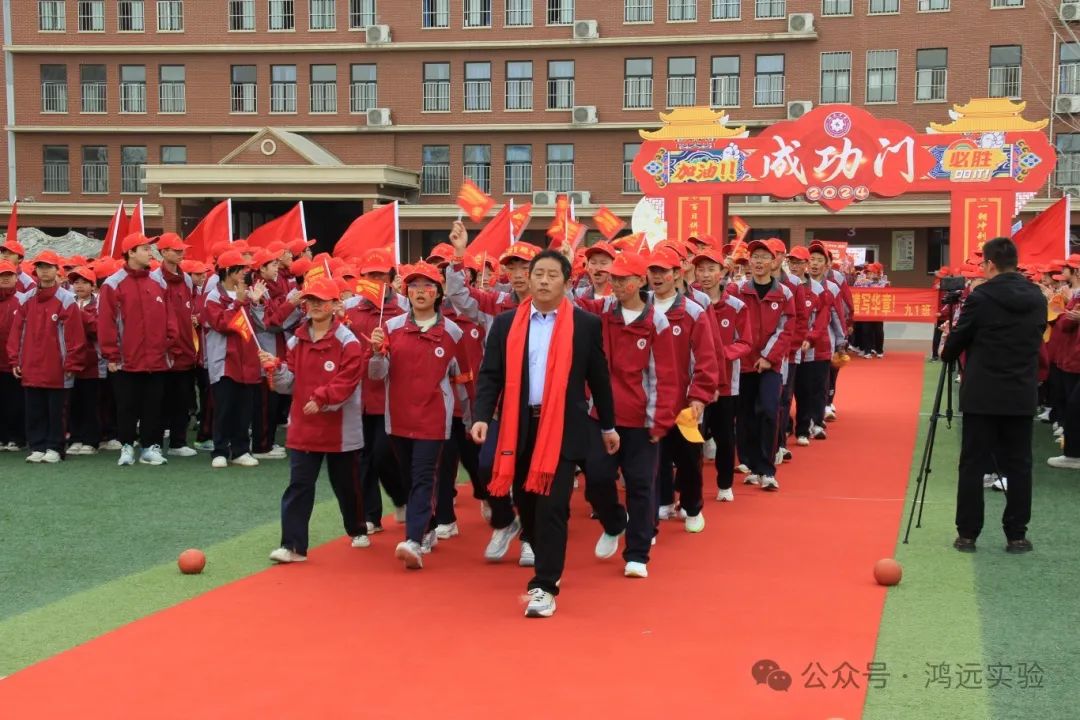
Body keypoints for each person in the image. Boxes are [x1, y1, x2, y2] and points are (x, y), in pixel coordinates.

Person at [471, 249, 617, 618]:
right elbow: (490, 375)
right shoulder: (506, 325)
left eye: (553, 275)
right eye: (539, 274)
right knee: (529, 503)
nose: (544, 280)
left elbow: (598, 377)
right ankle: (533, 542)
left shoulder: (584, 324)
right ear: (529, 280)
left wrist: (609, 425)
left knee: (553, 506)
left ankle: (544, 585)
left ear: (567, 282)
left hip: (564, 427)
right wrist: (482, 415)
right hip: (519, 426)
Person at [574, 251, 677, 578]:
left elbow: (665, 375)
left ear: (639, 281)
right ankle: (614, 522)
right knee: (597, 480)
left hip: (640, 421)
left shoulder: (655, 321)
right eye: (613, 278)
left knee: (641, 485)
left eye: (622, 278)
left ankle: (638, 553)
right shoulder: (602, 310)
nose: (615, 283)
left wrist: (659, 421)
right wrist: (564, 269)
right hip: (602, 417)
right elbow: (569, 305)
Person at [941, 237, 1045, 554]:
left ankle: (968, 534)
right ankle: (1017, 535)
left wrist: (949, 346)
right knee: (1020, 465)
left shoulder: (981, 297)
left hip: (983, 393)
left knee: (973, 464)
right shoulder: (1037, 297)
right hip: (1020, 391)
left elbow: (958, 341)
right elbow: (1037, 335)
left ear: (989, 264)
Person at [368, 262, 474, 570]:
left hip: (433, 419)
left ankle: (413, 539)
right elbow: (377, 375)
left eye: (427, 286)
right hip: (398, 418)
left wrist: (469, 419)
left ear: (439, 292)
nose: (420, 292)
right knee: (408, 477)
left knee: (423, 477)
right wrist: (377, 353)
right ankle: (426, 529)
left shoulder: (452, 331)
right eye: (414, 286)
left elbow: (463, 378)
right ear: (406, 291)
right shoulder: (390, 328)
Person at [264, 277, 369, 563]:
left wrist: (321, 398)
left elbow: (348, 381)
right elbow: (288, 382)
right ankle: (293, 546)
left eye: (322, 301)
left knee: (346, 486)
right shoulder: (296, 339)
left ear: (336, 305)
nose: (315, 306)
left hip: (340, 429)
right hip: (303, 426)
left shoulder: (349, 341)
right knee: (299, 485)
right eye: (311, 300)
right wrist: (274, 370)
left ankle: (357, 527)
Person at [97, 233, 178, 467]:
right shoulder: (113, 284)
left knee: (154, 405)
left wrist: (169, 340)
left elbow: (169, 314)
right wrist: (111, 354)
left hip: (157, 357)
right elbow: (106, 322)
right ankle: (126, 446)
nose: (149, 252)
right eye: (144, 248)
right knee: (126, 406)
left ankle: (150, 447)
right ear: (131, 252)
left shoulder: (158, 281)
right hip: (126, 359)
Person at [6, 250, 86, 463]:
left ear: (56, 270)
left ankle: (55, 447)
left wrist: (72, 361)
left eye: (49, 267)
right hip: (31, 365)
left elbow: (75, 336)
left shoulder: (67, 300)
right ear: (36, 271)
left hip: (57, 367)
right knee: (34, 409)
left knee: (56, 410)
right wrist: (15, 359)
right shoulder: (27, 299)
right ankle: (37, 445)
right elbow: (17, 332)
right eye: (41, 267)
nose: (44, 271)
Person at [735, 240, 795, 491]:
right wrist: (744, 353)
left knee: (770, 411)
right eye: (754, 256)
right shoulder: (737, 291)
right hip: (743, 363)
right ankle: (750, 464)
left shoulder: (784, 293)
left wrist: (769, 357)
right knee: (746, 416)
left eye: (764, 257)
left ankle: (768, 469)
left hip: (770, 366)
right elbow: (732, 325)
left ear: (774, 262)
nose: (758, 262)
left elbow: (786, 329)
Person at [201, 249, 265, 468]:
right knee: (224, 408)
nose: (245, 275)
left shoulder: (246, 293)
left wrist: (255, 302)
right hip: (224, 361)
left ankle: (240, 450)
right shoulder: (213, 296)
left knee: (244, 409)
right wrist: (238, 303)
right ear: (228, 271)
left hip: (247, 361)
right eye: (241, 270)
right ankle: (220, 450)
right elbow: (222, 324)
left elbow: (262, 324)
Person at [157, 233, 199, 458]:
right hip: (162, 350)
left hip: (185, 348)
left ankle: (178, 442)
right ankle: (153, 444)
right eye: (176, 249)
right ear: (163, 252)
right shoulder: (155, 279)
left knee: (182, 397)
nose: (181, 253)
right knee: (160, 398)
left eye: (182, 249)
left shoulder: (187, 279)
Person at [67, 266, 106, 455]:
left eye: (84, 282)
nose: (79, 286)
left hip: (93, 363)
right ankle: (75, 437)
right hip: (70, 361)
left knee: (91, 403)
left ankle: (91, 440)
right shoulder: (68, 302)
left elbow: (99, 328)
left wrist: (80, 315)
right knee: (73, 402)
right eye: (76, 282)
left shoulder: (100, 304)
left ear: (93, 286)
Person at [0, 260, 25, 451]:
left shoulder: (24, 300)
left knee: (15, 401)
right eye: (2, 275)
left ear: (17, 277)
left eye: (9, 274)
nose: (5, 278)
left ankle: (16, 438)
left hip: (15, 361)